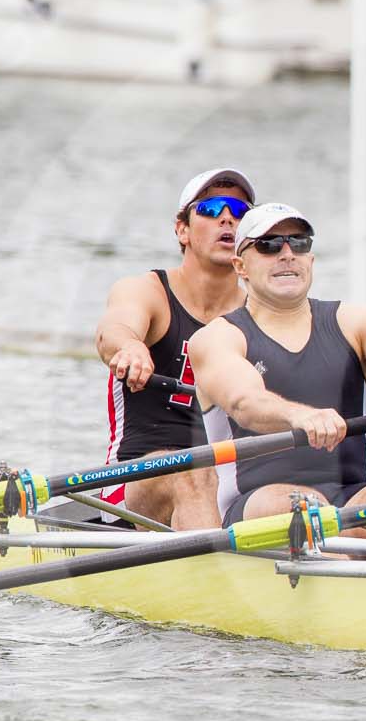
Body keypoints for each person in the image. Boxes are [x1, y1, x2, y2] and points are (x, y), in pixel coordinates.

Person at [189, 203, 366, 527]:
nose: (287, 254)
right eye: (269, 245)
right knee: (306, 509)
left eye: (299, 243)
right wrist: (299, 416)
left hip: (353, 494)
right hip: (258, 503)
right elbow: (244, 403)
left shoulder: (358, 322)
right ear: (240, 266)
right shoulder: (217, 338)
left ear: (310, 260)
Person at [92, 168, 255, 530]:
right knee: (193, 473)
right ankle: (216, 563)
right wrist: (130, 347)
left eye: (240, 211)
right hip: (134, 484)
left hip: (228, 484)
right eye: (211, 209)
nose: (227, 218)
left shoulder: (260, 316)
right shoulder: (147, 291)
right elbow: (113, 330)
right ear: (182, 230)